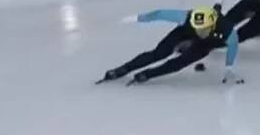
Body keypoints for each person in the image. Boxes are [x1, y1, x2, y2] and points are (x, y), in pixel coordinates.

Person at [99, 7, 244, 85]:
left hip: (208, 42)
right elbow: (159, 14)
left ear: (212, 25)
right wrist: (138, 18)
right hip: (185, 32)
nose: (200, 31)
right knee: (159, 53)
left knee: (179, 63)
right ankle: (124, 68)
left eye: (204, 29)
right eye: (198, 28)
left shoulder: (227, 29)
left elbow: (233, 46)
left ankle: (149, 74)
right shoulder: (186, 17)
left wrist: (229, 67)